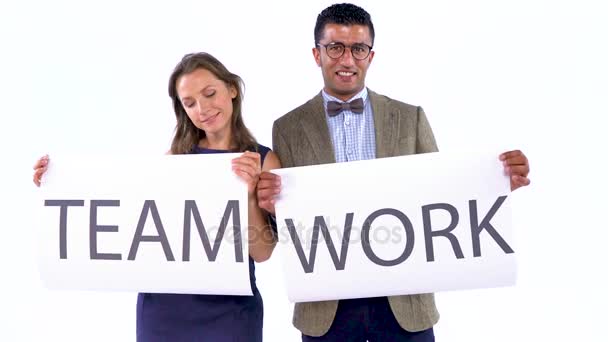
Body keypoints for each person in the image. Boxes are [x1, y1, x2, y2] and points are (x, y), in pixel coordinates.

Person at [256, 3, 531, 342]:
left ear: (371, 55)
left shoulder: (408, 117)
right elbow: (289, 226)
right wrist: (272, 207)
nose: (347, 60)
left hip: (405, 303)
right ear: (317, 54)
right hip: (326, 307)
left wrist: (496, 184)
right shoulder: (287, 128)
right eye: (335, 48)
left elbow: (444, 196)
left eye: (358, 48)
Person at [33, 52, 281, 342]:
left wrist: (248, 194)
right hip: (165, 311)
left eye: (210, 93)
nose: (203, 108)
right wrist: (58, 180)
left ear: (232, 89)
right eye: (189, 103)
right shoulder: (174, 159)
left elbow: (262, 253)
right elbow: (122, 202)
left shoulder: (263, 160)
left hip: (231, 313)